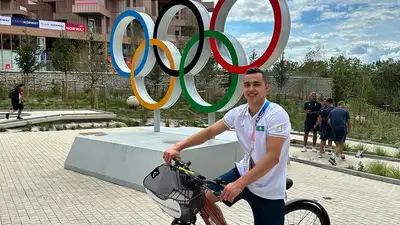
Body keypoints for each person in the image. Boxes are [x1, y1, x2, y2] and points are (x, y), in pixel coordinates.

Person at [163, 67, 291, 225]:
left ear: (266, 88)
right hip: (243, 171)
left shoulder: (277, 115)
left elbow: (272, 158)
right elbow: (209, 132)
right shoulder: (239, 113)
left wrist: (238, 184)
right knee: (202, 200)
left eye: (256, 84)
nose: (251, 89)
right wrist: (178, 147)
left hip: (268, 186)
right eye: (247, 84)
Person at [328, 101, 351, 166]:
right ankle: (333, 157)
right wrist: (349, 131)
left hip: (334, 129)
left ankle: (342, 155)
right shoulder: (345, 111)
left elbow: (329, 121)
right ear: (343, 105)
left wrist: (333, 127)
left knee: (338, 143)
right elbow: (349, 122)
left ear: (338, 105)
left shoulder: (332, 111)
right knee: (341, 144)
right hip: (342, 129)